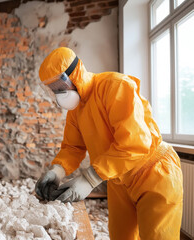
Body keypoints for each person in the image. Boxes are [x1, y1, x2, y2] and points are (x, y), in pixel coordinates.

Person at [34, 47, 183, 240]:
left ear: (75, 73)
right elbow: (73, 147)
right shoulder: (75, 111)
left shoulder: (115, 86)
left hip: (153, 172)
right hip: (118, 178)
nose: (58, 92)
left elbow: (134, 143)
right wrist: (57, 171)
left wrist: (89, 179)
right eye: (52, 88)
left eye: (59, 85)